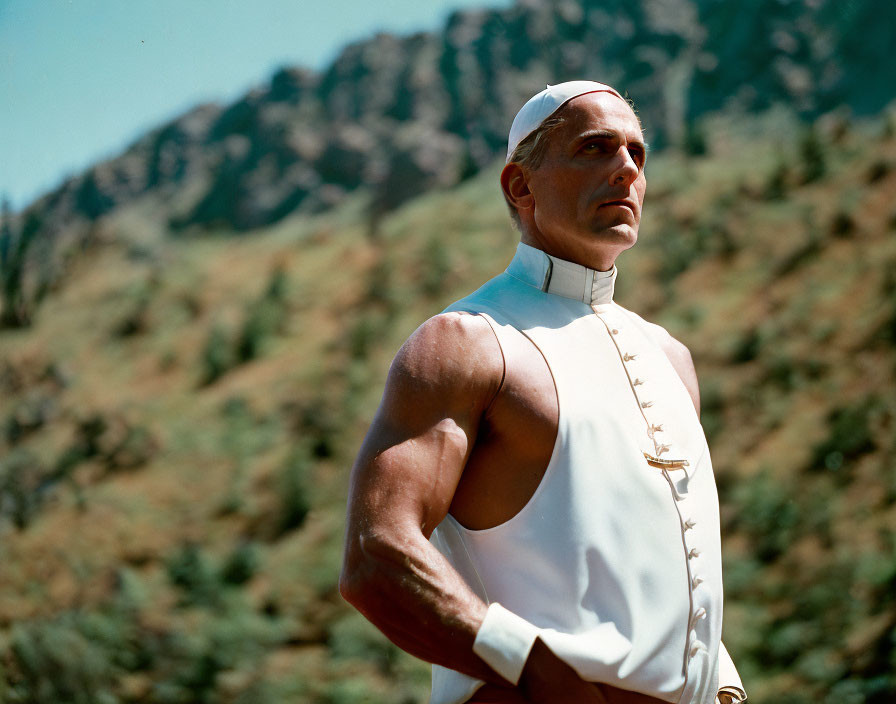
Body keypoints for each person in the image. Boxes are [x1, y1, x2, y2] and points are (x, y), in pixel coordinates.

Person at [339, 81, 747, 704]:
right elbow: (376, 555)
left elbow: (672, 576)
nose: (627, 168)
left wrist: (725, 686)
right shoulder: (467, 342)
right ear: (520, 187)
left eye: (638, 153)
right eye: (595, 148)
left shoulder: (672, 361)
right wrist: (536, 673)